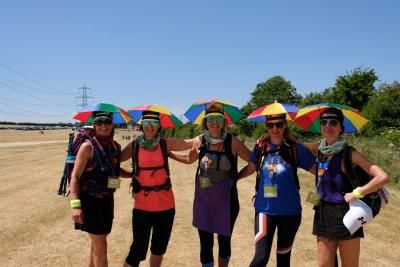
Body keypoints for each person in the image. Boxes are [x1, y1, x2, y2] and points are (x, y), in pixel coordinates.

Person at [170, 103, 251, 267]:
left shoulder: (232, 142)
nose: (215, 123)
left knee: (224, 242)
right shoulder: (199, 141)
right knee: (205, 244)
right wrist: (169, 152)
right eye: (211, 119)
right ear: (205, 122)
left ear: (224, 122)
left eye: (218, 119)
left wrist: (237, 177)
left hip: (227, 201)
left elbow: (254, 161)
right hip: (204, 199)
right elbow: (186, 156)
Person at [312, 107, 389, 267]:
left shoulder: (349, 153)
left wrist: (358, 193)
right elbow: (295, 145)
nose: (328, 125)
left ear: (341, 127)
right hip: (323, 212)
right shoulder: (320, 149)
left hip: (346, 213)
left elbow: (382, 177)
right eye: (324, 122)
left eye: (333, 122)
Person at [238, 113, 316, 267]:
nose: (274, 128)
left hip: (290, 213)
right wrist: (233, 179)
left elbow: (321, 174)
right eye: (270, 125)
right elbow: (250, 168)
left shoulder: (295, 149)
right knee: (260, 258)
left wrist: (315, 198)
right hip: (264, 211)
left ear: (285, 125)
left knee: (283, 260)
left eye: (279, 124)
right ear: (266, 126)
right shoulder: (260, 147)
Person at [120, 110, 195, 267]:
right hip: (142, 207)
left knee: (158, 249)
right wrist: (131, 175)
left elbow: (190, 142)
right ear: (141, 125)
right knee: (138, 249)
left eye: (154, 122)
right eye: (146, 122)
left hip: (166, 207)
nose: (149, 126)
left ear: (159, 125)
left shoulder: (165, 143)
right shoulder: (134, 146)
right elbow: (114, 160)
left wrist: (205, 138)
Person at [69, 111, 125, 267]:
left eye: (107, 122)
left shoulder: (116, 147)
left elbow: (114, 171)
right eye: (99, 122)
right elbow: (75, 177)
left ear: (112, 124)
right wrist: (75, 205)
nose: (103, 126)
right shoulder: (87, 147)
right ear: (94, 125)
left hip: (108, 200)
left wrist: (136, 174)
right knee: (101, 247)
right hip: (90, 201)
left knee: (97, 243)